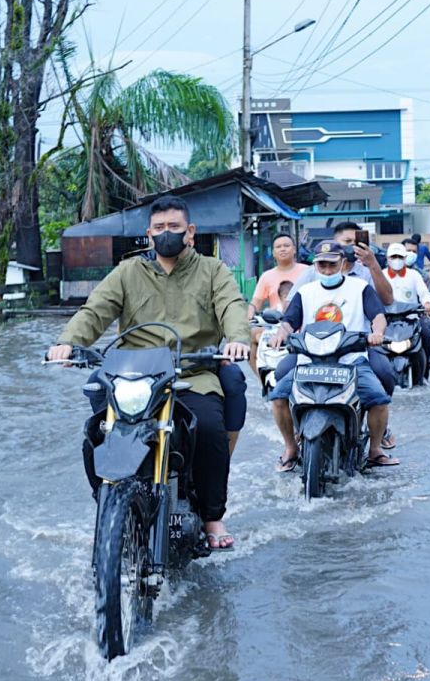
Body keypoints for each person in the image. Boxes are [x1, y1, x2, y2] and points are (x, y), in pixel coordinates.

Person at [47, 195, 250, 551]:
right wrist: (68, 342)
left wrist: (236, 339)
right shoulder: (128, 272)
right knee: (98, 432)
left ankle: (213, 516)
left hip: (192, 371)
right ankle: (112, 507)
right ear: (148, 234)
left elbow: (232, 305)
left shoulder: (213, 270)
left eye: (174, 227)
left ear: (190, 232)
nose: (166, 233)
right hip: (133, 377)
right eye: (159, 228)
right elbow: (95, 310)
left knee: (210, 430)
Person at [267, 242, 397, 470]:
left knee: (379, 399)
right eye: (322, 265)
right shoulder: (306, 292)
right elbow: (289, 321)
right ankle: (290, 448)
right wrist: (280, 334)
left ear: (342, 263)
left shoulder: (359, 288)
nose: (327, 270)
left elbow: (378, 315)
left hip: (351, 360)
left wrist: (377, 333)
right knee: (278, 398)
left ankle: (375, 450)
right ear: (315, 266)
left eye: (332, 264)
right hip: (309, 361)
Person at [247, 232, 305, 378]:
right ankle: (263, 382)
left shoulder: (307, 271)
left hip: (302, 324)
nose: (283, 249)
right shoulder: (267, 276)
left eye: (286, 245)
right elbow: (255, 302)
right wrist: (249, 315)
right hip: (274, 325)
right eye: (278, 247)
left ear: (294, 249)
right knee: (252, 338)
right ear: (273, 252)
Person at [384, 242, 430, 376]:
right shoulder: (381, 275)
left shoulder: (414, 275)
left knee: (426, 335)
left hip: (411, 319)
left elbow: (424, 292)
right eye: (393, 256)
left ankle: (426, 366)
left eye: (400, 256)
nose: (396, 260)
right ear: (387, 258)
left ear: (405, 258)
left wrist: (427, 303)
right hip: (387, 321)